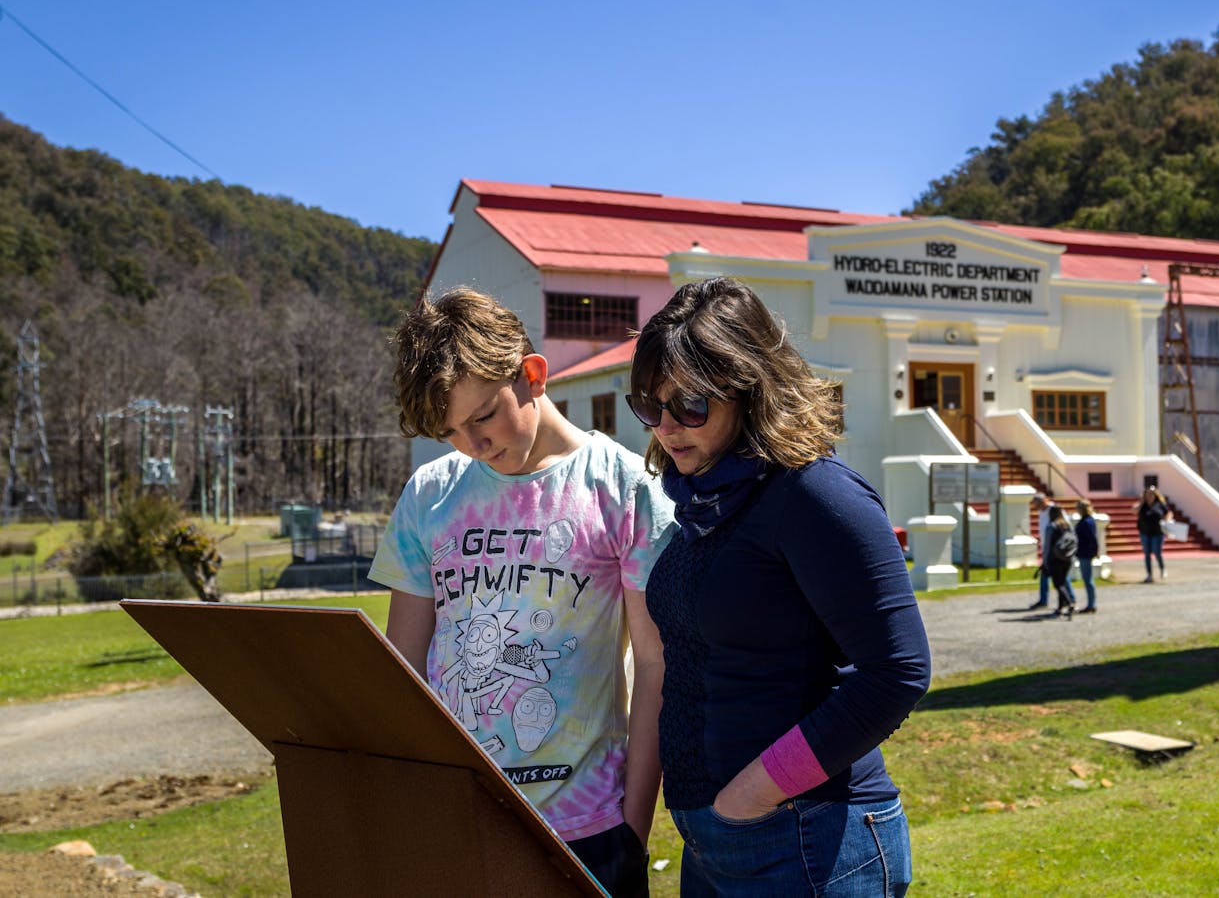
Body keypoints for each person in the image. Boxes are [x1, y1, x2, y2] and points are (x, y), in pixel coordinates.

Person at [368, 286, 675, 898]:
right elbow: (403, 671)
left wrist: (632, 831)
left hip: (586, 831)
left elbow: (655, 665)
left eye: (483, 416)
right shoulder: (429, 494)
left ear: (533, 376)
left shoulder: (625, 487)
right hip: (459, 820)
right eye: (451, 431)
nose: (474, 446)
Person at [629, 276, 931, 896]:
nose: (667, 427)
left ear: (750, 389)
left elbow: (898, 671)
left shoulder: (816, 493)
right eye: (651, 406)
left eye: (690, 405)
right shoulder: (703, 498)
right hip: (716, 841)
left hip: (807, 835)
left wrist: (750, 796)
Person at [1041, 504, 1077, 618]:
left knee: (1058, 584)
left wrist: (1044, 561)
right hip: (1067, 558)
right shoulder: (1067, 526)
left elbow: (1047, 546)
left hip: (1054, 559)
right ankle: (1060, 607)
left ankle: (1070, 603)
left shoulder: (1051, 526)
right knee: (1062, 582)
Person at [1135, 485, 1173, 583]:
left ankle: (1162, 568)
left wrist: (1167, 521)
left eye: (1151, 494)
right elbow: (1134, 511)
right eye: (1147, 494)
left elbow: (1168, 513)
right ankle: (1149, 575)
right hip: (1145, 532)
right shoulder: (1142, 505)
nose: (1150, 496)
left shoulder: (1159, 504)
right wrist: (1141, 502)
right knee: (1147, 553)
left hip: (1158, 532)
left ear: (1155, 495)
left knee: (1157, 552)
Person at [1027, 492, 1053, 610]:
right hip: (1045, 548)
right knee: (1044, 574)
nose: (1035, 507)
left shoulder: (1054, 510)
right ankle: (1043, 600)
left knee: (1060, 577)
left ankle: (1070, 599)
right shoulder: (1041, 512)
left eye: (1036, 504)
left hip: (1054, 549)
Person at [1074, 499, 1099, 613]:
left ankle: (1091, 604)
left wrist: (1094, 551)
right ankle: (1091, 603)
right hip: (1084, 552)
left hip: (1085, 552)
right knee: (1087, 579)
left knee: (1088, 579)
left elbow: (1092, 538)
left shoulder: (1087, 522)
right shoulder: (1087, 520)